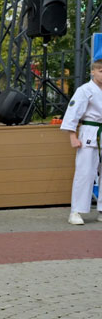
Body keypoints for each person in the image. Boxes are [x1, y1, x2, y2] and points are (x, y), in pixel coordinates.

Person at [61, 59, 102, 225]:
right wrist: (73, 136)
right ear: (93, 72)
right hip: (89, 134)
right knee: (85, 173)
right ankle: (76, 211)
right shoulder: (84, 90)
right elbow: (73, 114)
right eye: (101, 71)